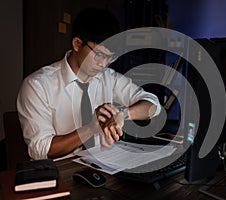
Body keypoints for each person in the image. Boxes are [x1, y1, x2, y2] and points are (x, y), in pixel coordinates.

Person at [17, 8, 161, 160]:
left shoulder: (108, 77)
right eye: (99, 55)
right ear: (77, 44)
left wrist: (122, 115)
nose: (103, 64)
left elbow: (154, 105)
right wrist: (91, 128)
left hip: (103, 164)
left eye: (110, 58)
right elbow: (41, 150)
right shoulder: (37, 85)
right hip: (60, 169)